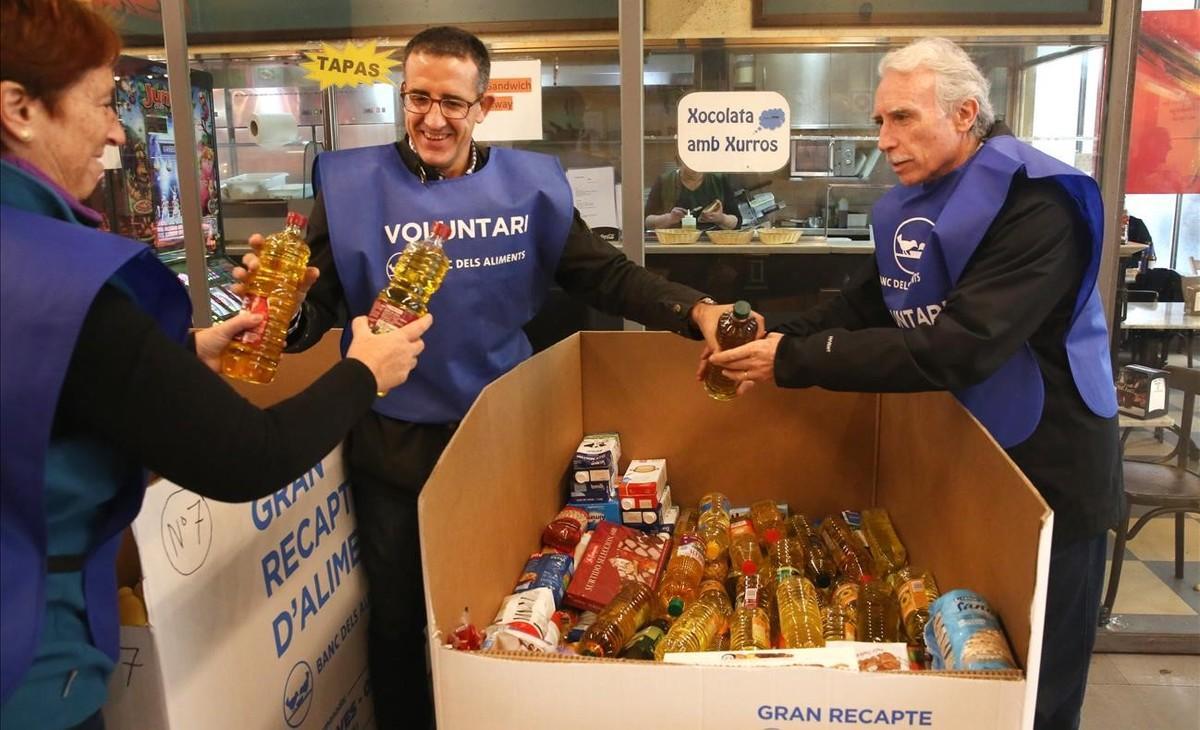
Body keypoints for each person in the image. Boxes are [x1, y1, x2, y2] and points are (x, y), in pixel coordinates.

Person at [241, 25, 754, 729]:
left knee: (507, 610)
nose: (432, 117)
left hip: (502, 442)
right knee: (399, 621)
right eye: (417, 97)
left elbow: (601, 272)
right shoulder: (353, 185)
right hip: (395, 446)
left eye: (452, 101)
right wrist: (283, 318)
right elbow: (317, 307)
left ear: (483, 106)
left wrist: (691, 308)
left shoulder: (530, 186)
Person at [0, 2, 431, 728]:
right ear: (18, 108)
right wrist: (365, 372)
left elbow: (45, 385)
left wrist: (177, 353)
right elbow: (245, 457)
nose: (115, 130)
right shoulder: (63, 280)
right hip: (29, 663)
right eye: (104, 103)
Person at [708, 38, 1119, 730]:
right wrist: (763, 343)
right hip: (968, 459)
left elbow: (959, 348)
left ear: (965, 114)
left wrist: (797, 361)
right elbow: (860, 308)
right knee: (969, 665)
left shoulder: (1036, 205)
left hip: (1050, 473)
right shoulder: (921, 201)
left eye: (901, 119)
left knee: (1036, 688)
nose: (884, 140)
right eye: (878, 122)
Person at [644, 157, 741, 231]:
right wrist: (669, 218)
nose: (695, 167)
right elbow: (646, 222)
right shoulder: (665, 181)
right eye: (690, 161)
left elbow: (737, 222)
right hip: (672, 247)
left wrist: (721, 219)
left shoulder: (719, 180)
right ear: (680, 160)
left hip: (713, 248)